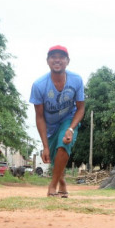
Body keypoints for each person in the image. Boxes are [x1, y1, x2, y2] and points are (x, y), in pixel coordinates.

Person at [30, 45, 85, 198]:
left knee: (64, 145)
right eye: (53, 56)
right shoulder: (39, 85)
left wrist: (71, 129)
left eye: (61, 57)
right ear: (48, 61)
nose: (57, 60)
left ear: (68, 61)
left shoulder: (76, 80)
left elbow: (81, 108)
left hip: (68, 119)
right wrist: (45, 146)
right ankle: (62, 181)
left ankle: (52, 185)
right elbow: (39, 116)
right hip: (50, 125)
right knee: (54, 159)